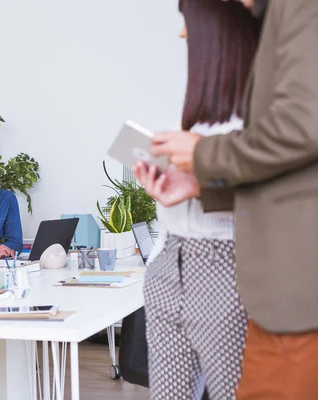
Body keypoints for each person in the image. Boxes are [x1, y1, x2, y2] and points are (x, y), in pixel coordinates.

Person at [149, 0, 318, 398]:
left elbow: (302, 128)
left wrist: (205, 155)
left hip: (266, 280)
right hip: (190, 269)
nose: (182, 33)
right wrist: (200, 186)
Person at [132, 1, 261, 398]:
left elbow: (278, 196)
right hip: (169, 261)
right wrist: (170, 185)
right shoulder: (190, 117)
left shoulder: (261, 118)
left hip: (226, 263)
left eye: (188, 23)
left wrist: (204, 182)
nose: (182, 33)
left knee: (232, 393)